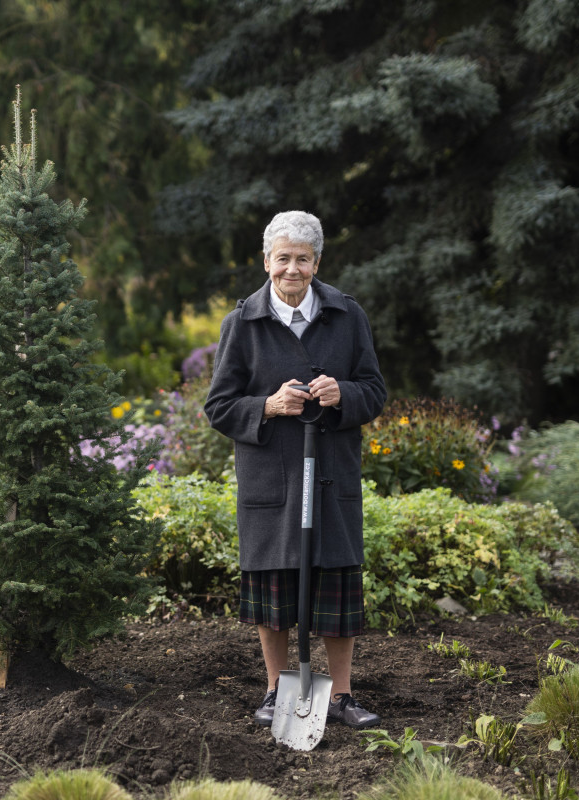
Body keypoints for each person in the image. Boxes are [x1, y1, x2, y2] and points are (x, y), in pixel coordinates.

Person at [204, 210, 387, 730]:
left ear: (317, 263)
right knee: (275, 588)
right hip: (272, 481)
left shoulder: (348, 316)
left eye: (302, 259)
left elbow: (374, 390)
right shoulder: (242, 323)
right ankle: (273, 691)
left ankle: (343, 697)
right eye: (282, 258)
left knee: (335, 584)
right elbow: (219, 406)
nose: (291, 269)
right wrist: (268, 405)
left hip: (332, 475)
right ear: (266, 261)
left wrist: (343, 394)